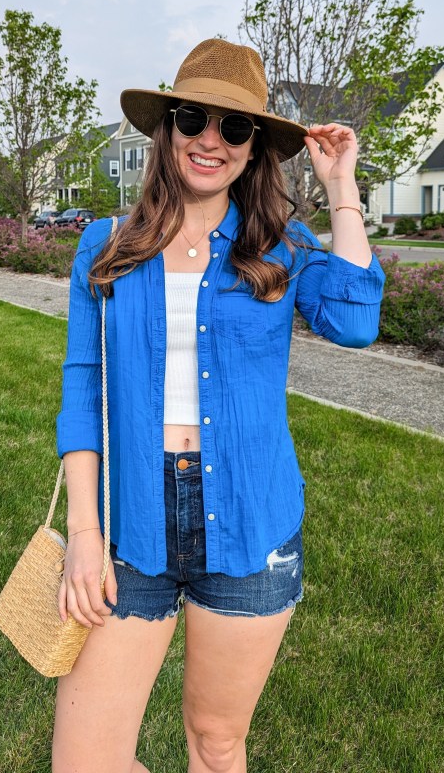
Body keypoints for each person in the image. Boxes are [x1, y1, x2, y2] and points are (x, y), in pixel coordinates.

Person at [52, 38, 385, 773]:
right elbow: (83, 390)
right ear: (166, 127)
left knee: (215, 743)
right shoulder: (105, 246)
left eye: (234, 128)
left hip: (248, 527)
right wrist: (82, 531)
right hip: (129, 523)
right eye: (193, 118)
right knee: (86, 760)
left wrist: (339, 187)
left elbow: (357, 323)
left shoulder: (281, 247)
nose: (211, 140)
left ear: (255, 148)